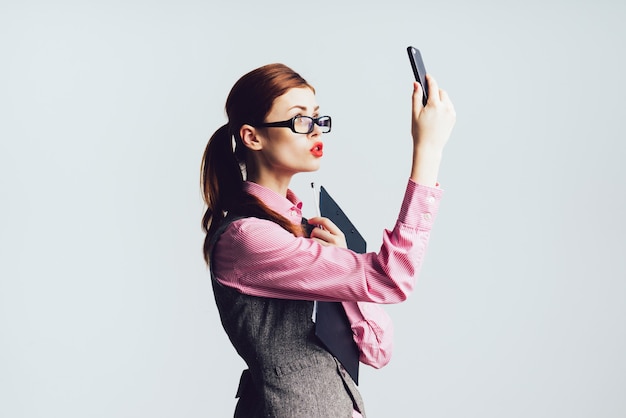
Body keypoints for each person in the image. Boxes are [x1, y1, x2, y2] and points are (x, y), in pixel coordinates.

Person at [200, 63, 455, 417]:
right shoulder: (248, 238)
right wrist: (428, 152)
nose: (315, 131)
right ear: (252, 136)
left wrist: (343, 274)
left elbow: (378, 349)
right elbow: (392, 278)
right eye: (299, 120)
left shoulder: (304, 233)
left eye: (318, 119)